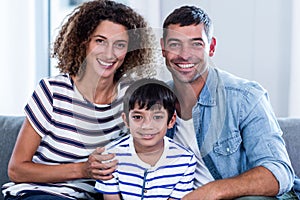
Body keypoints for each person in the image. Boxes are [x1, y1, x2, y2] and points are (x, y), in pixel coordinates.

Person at [1, 0, 156, 199]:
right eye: (100, 41)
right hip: (39, 193)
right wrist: (83, 170)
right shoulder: (53, 92)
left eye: (119, 45)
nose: (109, 54)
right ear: (84, 42)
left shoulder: (131, 98)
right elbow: (16, 170)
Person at [160, 5, 300, 200]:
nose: (185, 54)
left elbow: (279, 172)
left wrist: (213, 190)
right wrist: (103, 164)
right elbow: (129, 149)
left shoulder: (245, 97)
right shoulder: (155, 100)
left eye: (196, 44)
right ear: (163, 48)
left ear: (211, 47)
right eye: (175, 44)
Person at [94, 78, 197, 200]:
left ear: (171, 120)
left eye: (157, 117)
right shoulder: (109, 156)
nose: (147, 126)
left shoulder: (185, 161)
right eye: (138, 117)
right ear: (126, 120)